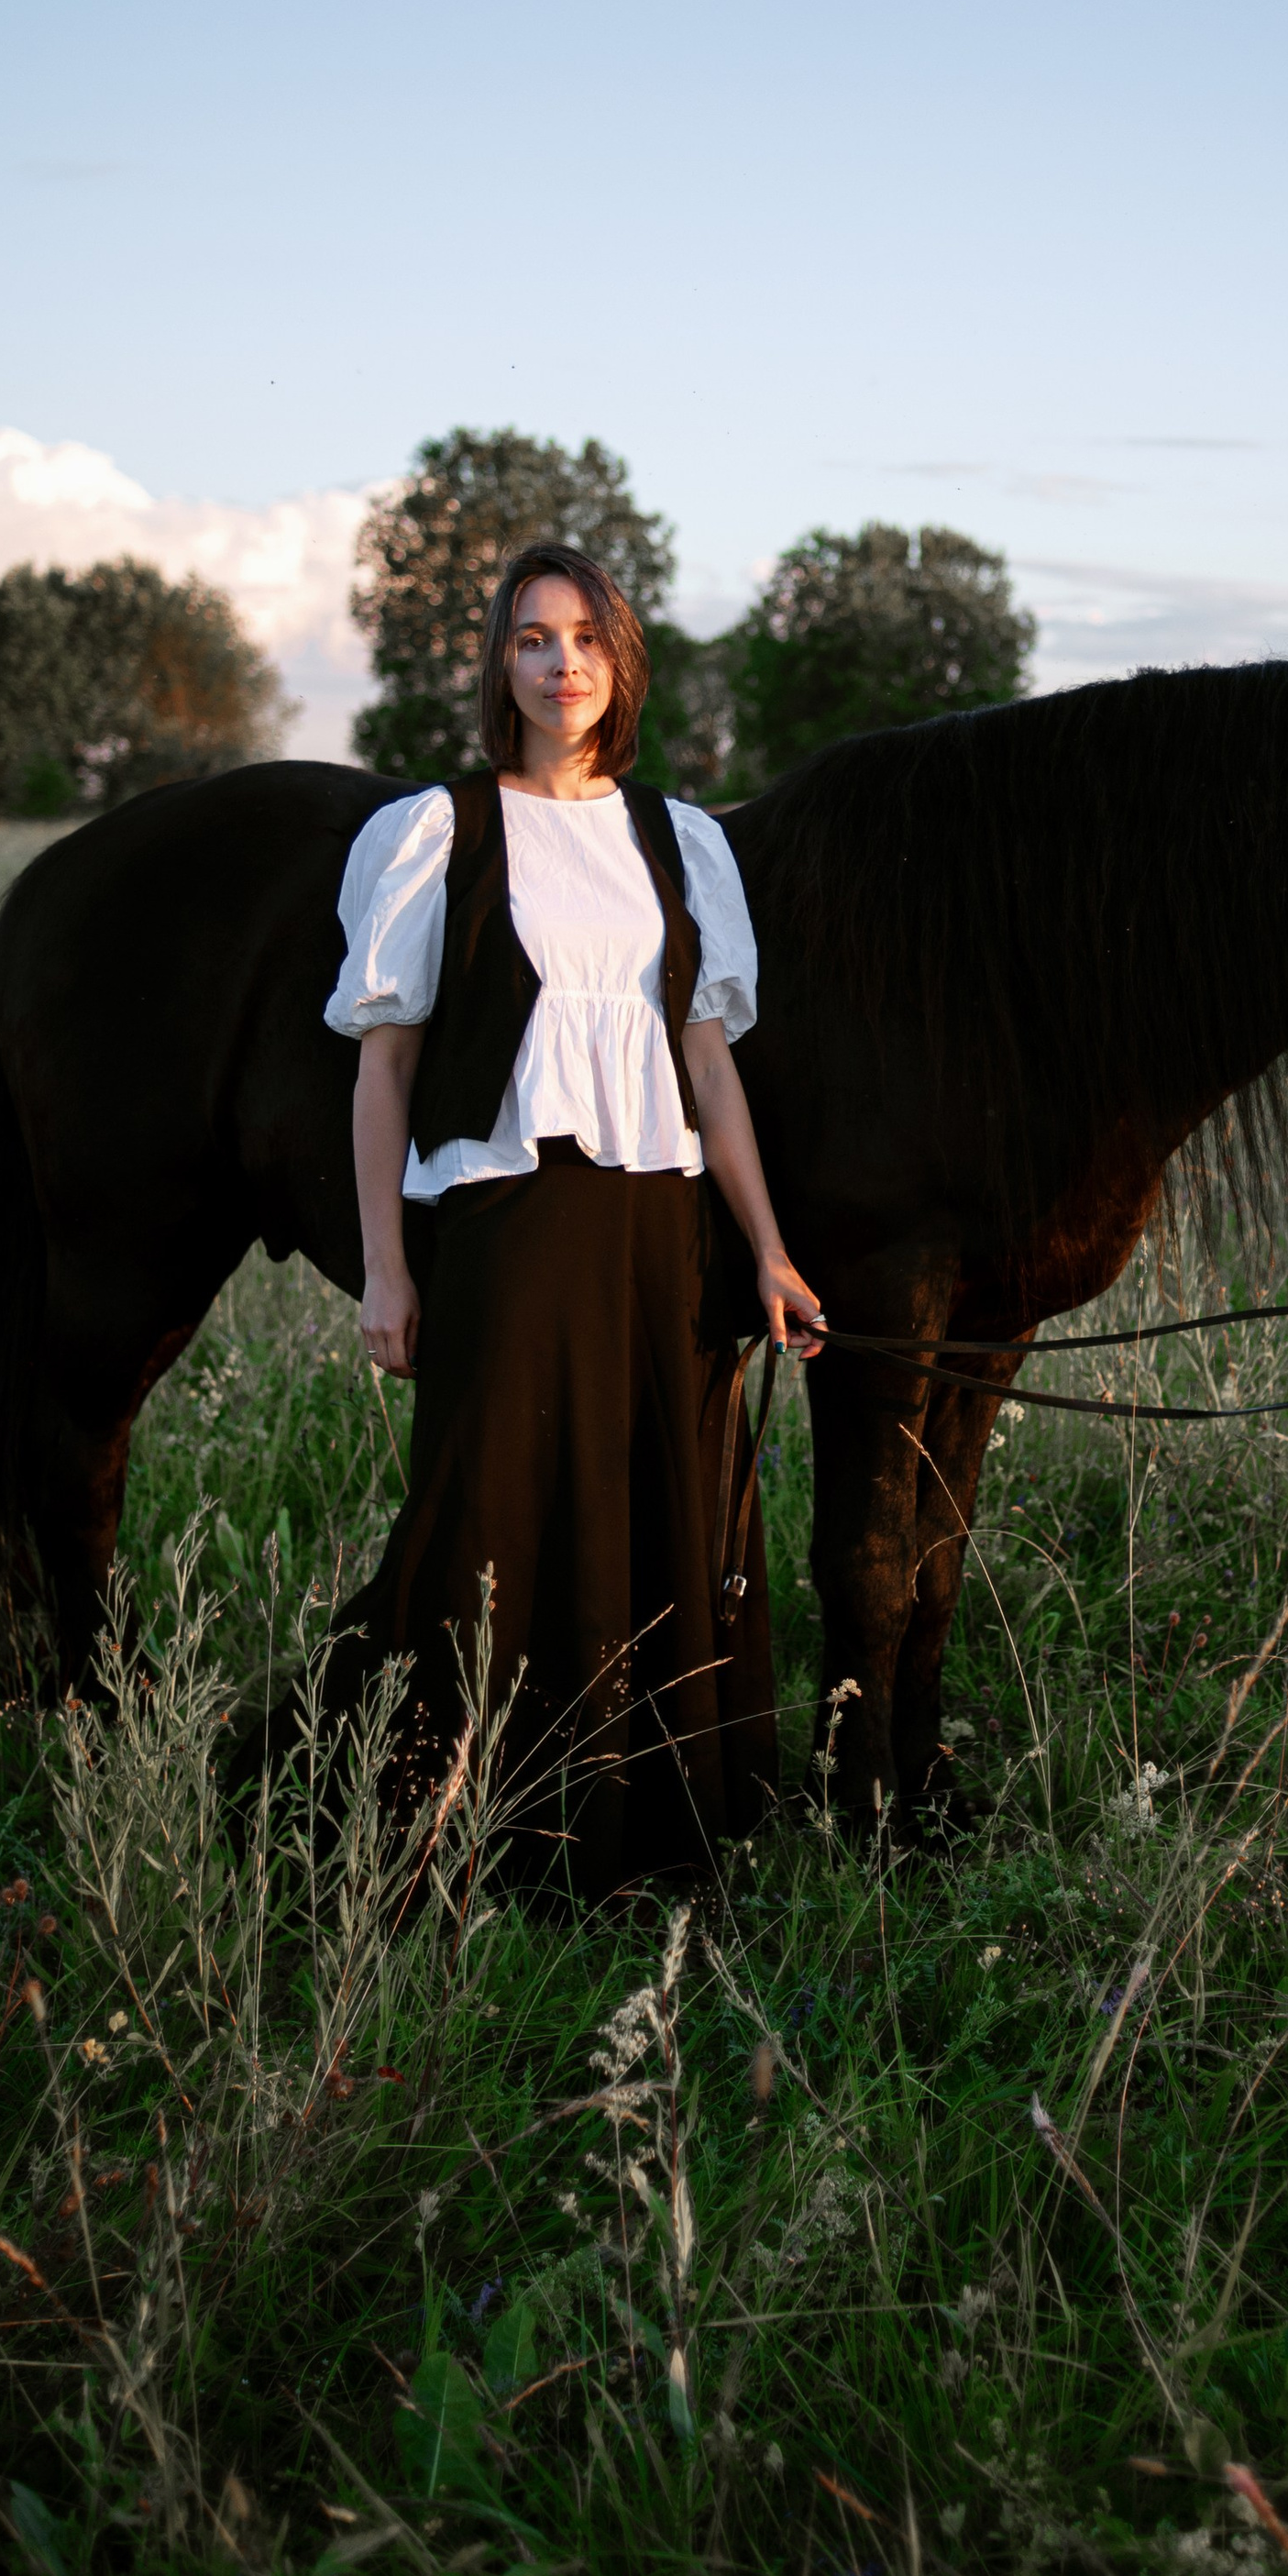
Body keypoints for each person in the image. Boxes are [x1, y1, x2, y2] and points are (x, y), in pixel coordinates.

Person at [318, 539, 821, 1893]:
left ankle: (642, 1833)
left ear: (622, 660)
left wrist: (767, 1246)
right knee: (487, 1517)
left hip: (662, 1229)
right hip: (509, 1225)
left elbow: (708, 1065)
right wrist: (384, 1267)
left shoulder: (679, 840)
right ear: (499, 662)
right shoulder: (442, 832)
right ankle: (448, 1834)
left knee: (662, 1506)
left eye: (586, 638)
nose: (562, 664)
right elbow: (386, 1066)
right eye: (534, 638)